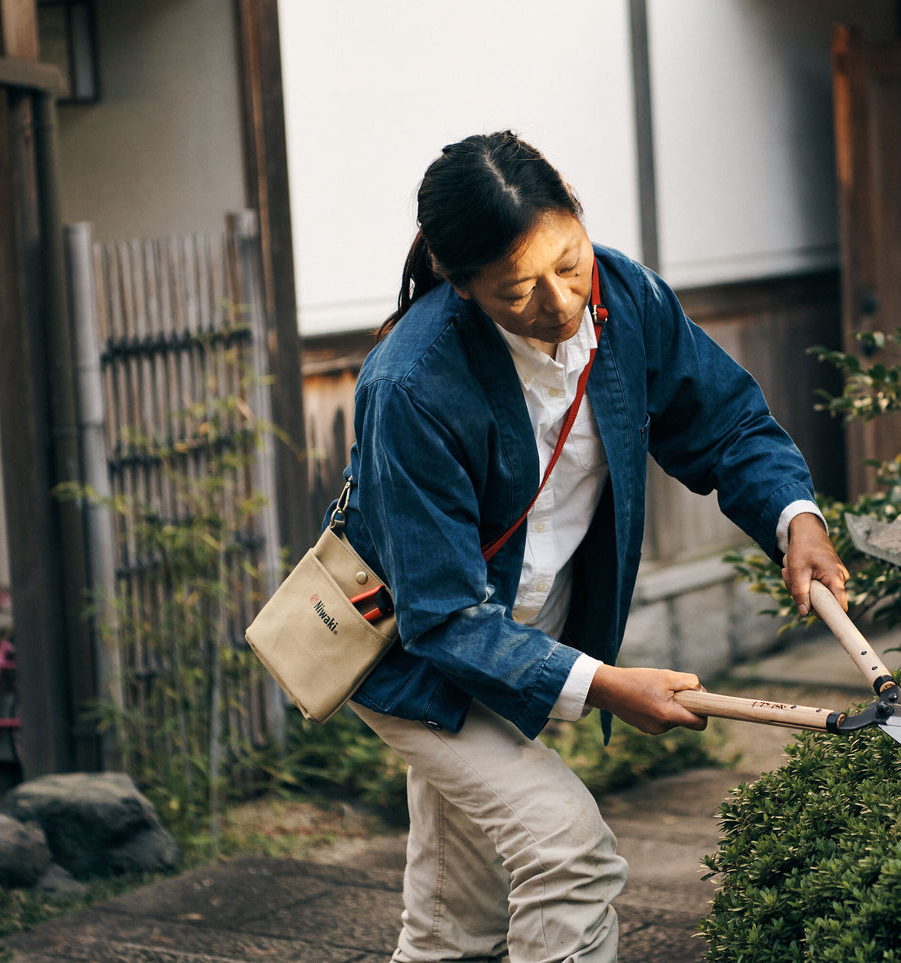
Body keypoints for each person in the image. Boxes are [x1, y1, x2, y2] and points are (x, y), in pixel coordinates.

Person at [333, 130, 849, 963]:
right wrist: (608, 686)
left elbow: (724, 424)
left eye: (568, 263)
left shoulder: (628, 296)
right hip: (414, 656)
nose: (562, 304)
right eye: (517, 291)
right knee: (568, 852)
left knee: (452, 926)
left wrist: (795, 516)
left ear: (576, 211)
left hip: (523, 638)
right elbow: (445, 616)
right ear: (460, 286)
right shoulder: (411, 383)